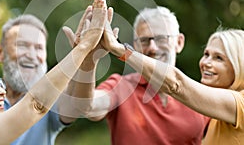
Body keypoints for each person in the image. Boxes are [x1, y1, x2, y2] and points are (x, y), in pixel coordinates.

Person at [0, 0, 109, 144]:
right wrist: (84, 47)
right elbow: (35, 105)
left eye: (38, 48)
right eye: (22, 45)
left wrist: (88, 58)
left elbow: (80, 103)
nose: (31, 55)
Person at [64, 5, 209, 144]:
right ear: (136, 45)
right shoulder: (122, 87)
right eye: (144, 41)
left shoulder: (198, 93)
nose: (152, 47)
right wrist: (89, 61)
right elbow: (87, 106)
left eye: (161, 38)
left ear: (179, 42)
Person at [102, 15, 244, 144]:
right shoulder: (214, 114)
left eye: (218, 58)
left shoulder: (241, 104)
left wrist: (119, 50)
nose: (206, 62)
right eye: (206, 54)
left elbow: (176, 84)